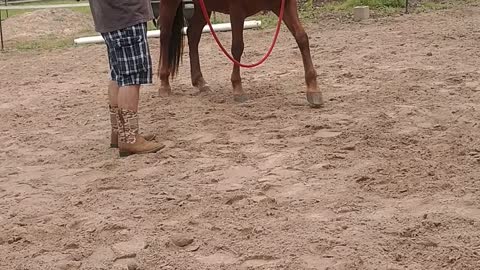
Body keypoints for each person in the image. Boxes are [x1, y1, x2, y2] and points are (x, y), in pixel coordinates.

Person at [88, 0, 164, 157]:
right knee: (132, 76)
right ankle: (129, 138)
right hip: (126, 14)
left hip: (110, 15)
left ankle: (119, 132)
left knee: (118, 73)